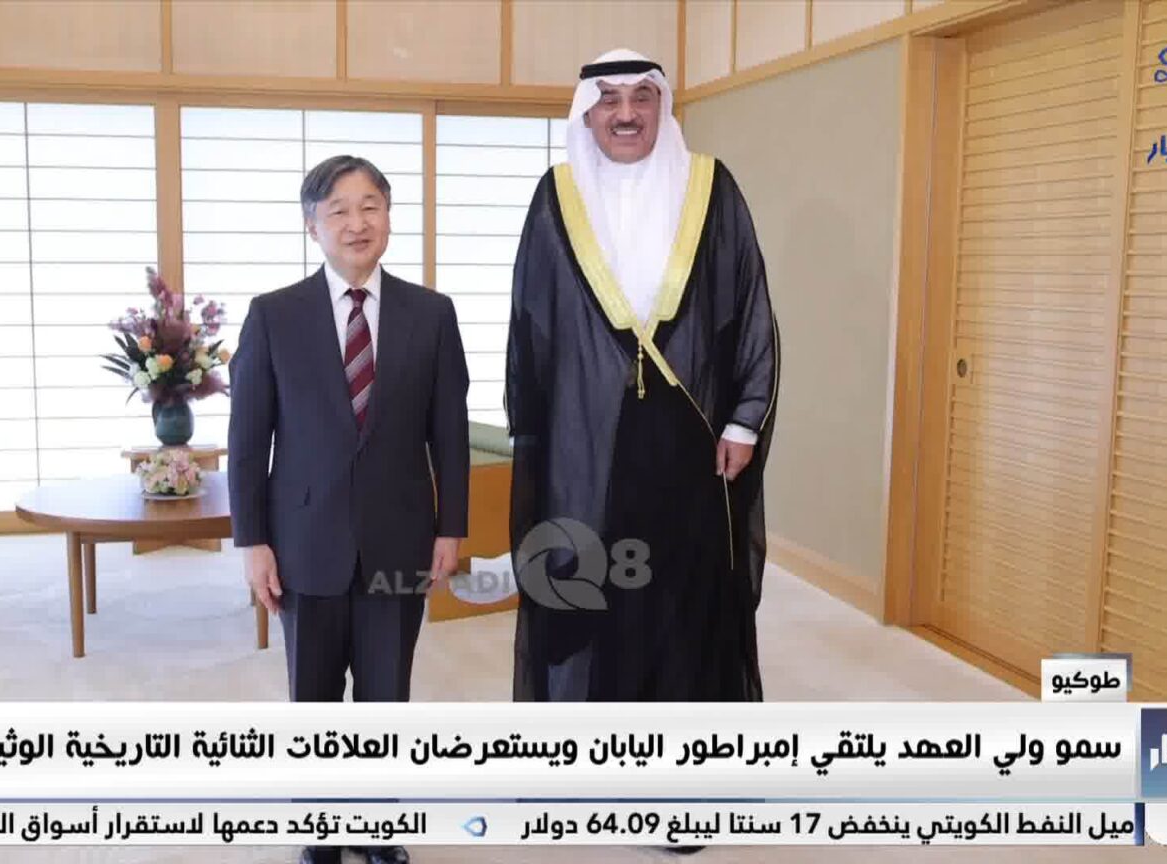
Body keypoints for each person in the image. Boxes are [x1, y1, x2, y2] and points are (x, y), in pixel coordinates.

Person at [506, 49, 780, 704]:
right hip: (585, 433)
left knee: (687, 594)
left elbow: (749, 304)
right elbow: (529, 321)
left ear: (663, 105)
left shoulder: (710, 187)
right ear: (587, 113)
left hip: (691, 431)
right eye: (609, 99)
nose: (625, 113)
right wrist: (535, 431)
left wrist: (745, 419)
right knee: (592, 586)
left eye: (641, 97)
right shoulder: (557, 195)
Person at [228, 154, 470, 864]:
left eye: (371, 206)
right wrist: (253, 541)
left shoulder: (432, 314)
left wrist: (451, 525)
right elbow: (248, 441)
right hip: (303, 541)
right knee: (313, 696)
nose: (357, 223)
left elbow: (449, 432)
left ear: (388, 217)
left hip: (401, 537)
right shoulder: (274, 315)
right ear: (313, 225)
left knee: (386, 695)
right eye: (338, 209)